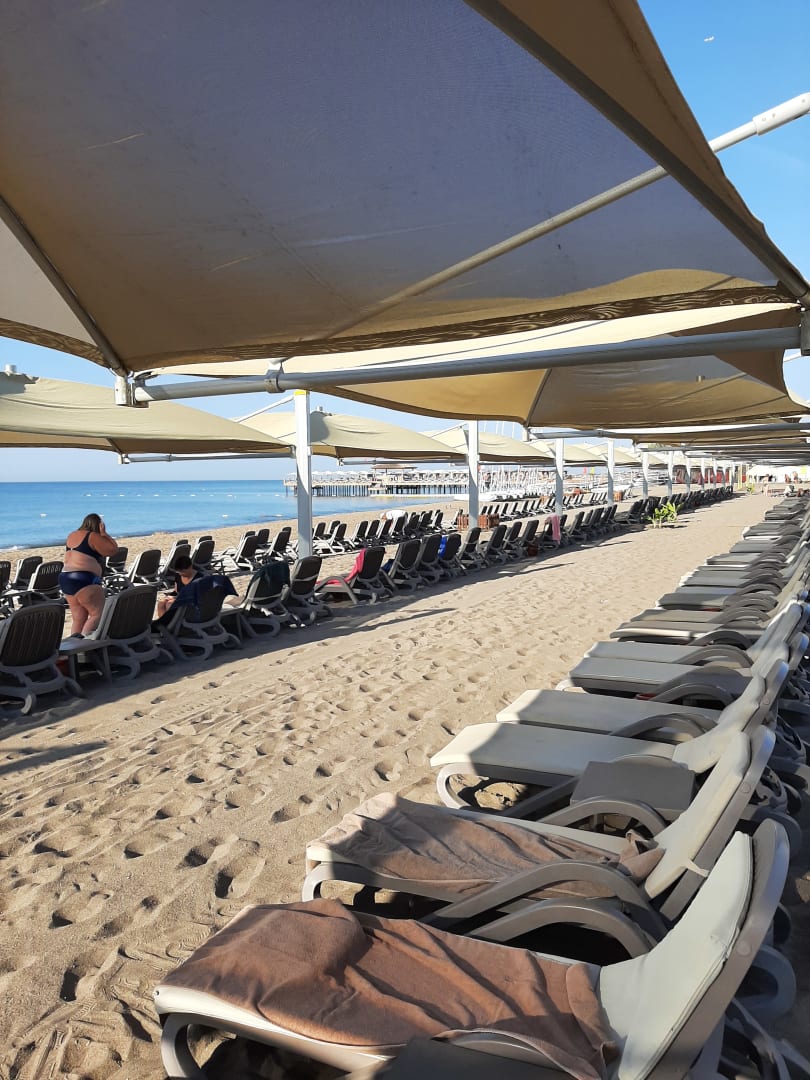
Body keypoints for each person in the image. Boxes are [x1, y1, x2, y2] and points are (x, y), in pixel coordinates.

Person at [60, 513, 119, 636]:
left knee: (78, 618)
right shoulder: (92, 536)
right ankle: (86, 643)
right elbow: (112, 550)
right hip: (84, 578)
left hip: (66, 577)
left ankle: (75, 643)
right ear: (98, 525)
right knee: (97, 614)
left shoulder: (72, 535)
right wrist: (104, 534)